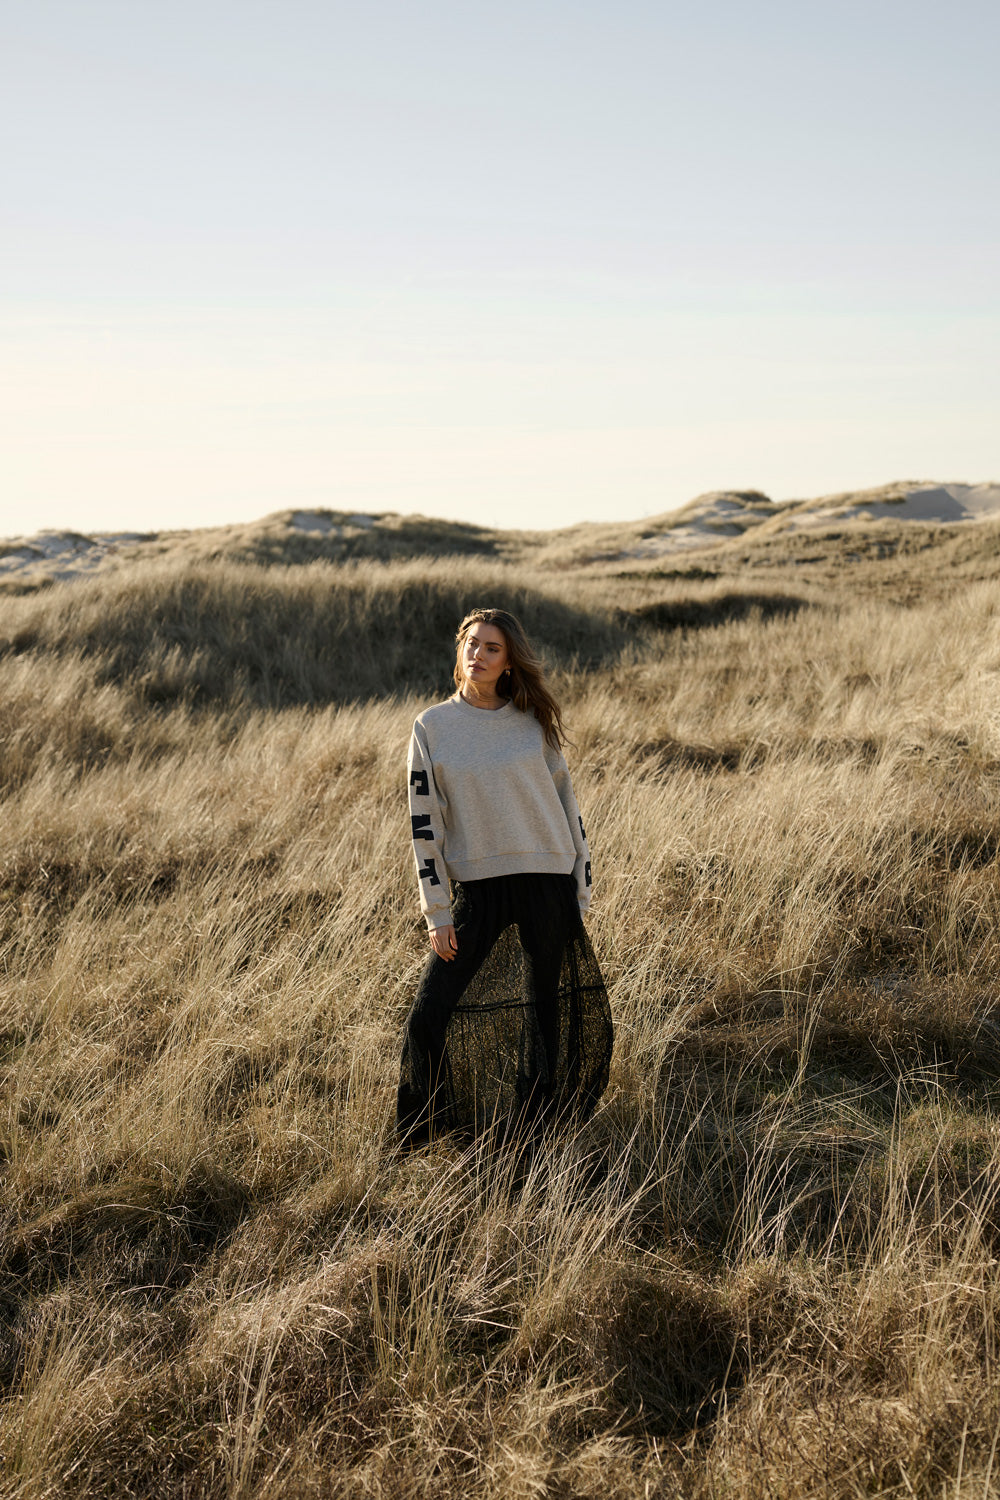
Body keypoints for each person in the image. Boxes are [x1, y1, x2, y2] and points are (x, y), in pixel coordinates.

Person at [396, 606, 613, 1146]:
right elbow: (425, 826)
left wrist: (578, 886)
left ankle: (540, 1130)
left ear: (510, 659)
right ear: (459, 650)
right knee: (431, 1012)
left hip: (546, 880)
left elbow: (567, 806)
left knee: (546, 1012)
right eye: (472, 643)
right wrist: (437, 911)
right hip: (481, 888)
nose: (479, 654)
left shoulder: (531, 722)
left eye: (493, 647)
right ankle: (424, 1134)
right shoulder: (432, 727)